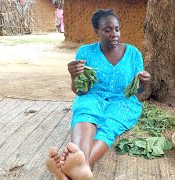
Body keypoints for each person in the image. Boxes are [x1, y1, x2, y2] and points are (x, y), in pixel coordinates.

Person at [45, 9, 151, 179]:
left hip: (123, 101)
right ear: (97, 32)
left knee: (109, 125)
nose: (114, 34)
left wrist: (143, 83)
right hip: (92, 96)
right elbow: (81, 91)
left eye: (117, 29)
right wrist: (74, 76)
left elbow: (138, 91)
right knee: (86, 112)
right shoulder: (85, 53)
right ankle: (80, 167)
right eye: (107, 30)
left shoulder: (133, 54)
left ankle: (71, 168)